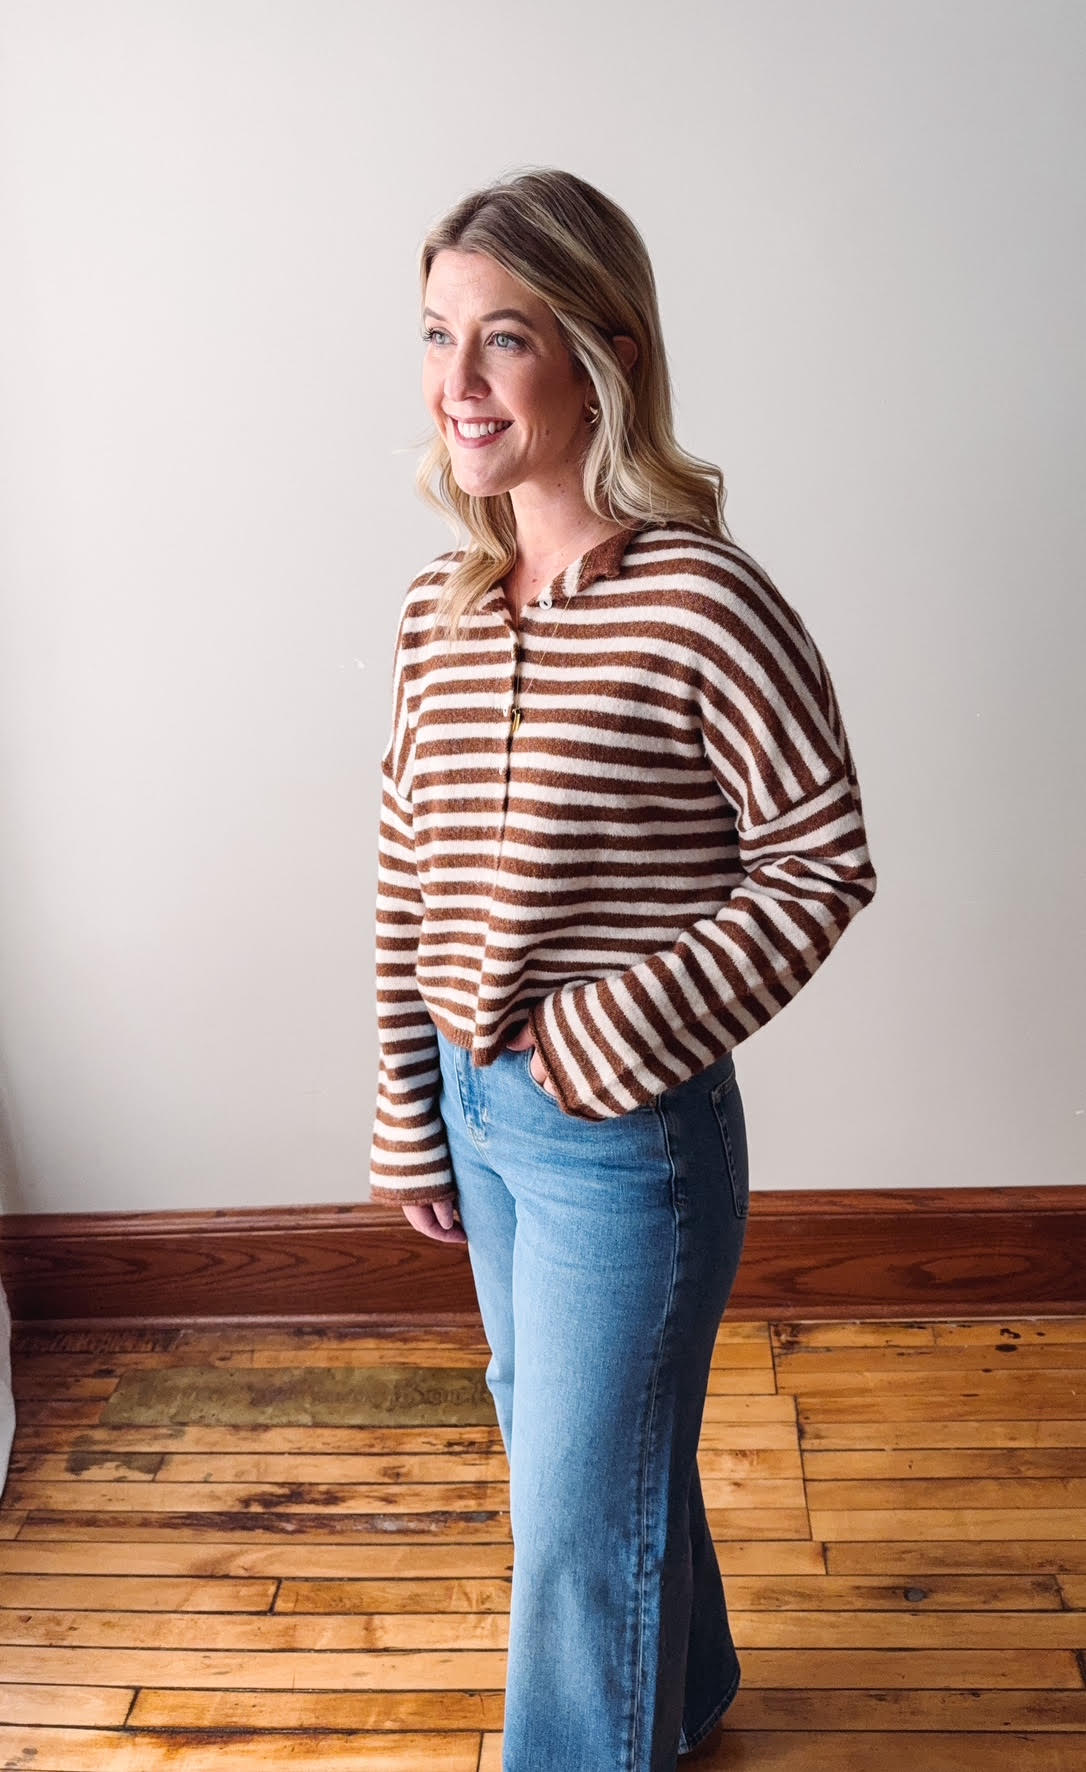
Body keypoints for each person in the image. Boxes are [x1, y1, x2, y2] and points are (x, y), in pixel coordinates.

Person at [369, 167, 877, 1772]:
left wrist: (603, 1034)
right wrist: (408, 1103)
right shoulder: (436, 612)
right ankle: (693, 1686)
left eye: (500, 340)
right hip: (479, 1112)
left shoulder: (698, 602)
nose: (457, 384)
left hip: (624, 1143)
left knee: (573, 1532)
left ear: (603, 354)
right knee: (571, 1453)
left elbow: (820, 856)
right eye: (437, 334)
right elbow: (404, 871)